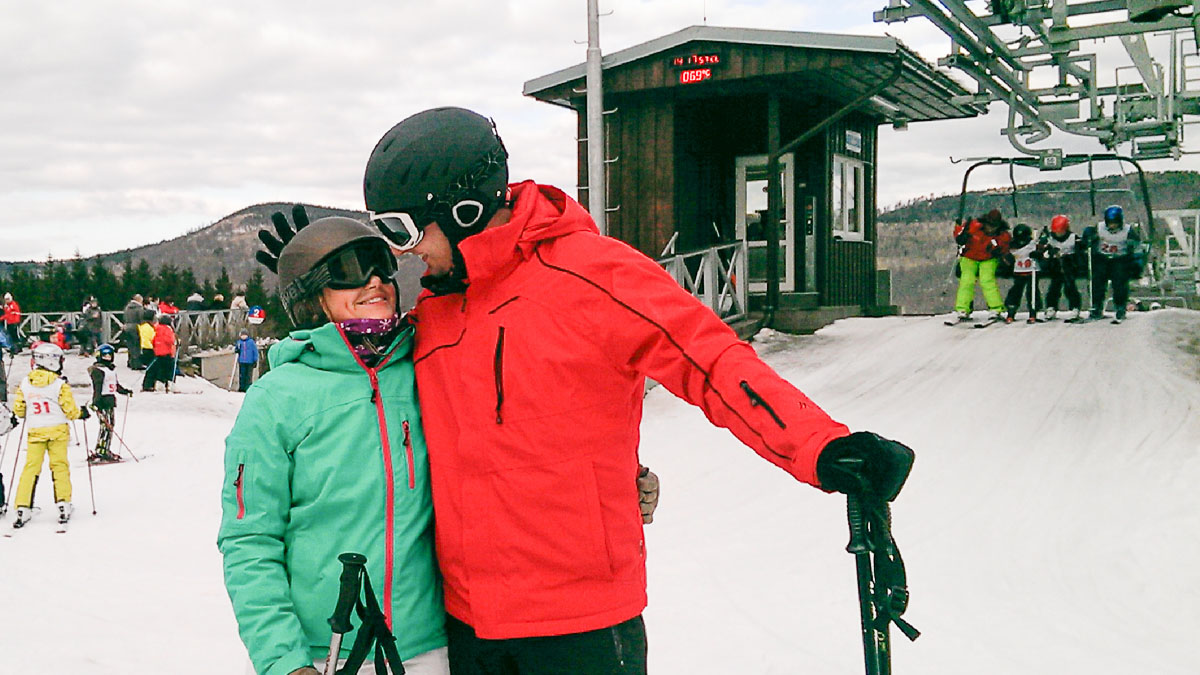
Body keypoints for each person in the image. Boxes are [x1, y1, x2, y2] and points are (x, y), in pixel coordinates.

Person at [308, 106, 910, 673]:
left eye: (403, 227)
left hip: (581, 624)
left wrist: (821, 446)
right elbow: (368, 383)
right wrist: (302, 296)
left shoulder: (591, 273)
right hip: (469, 624)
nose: (403, 250)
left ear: (464, 211)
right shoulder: (438, 312)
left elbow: (711, 360)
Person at [10, 341, 89, 528]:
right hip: (58, 430)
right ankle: (63, 503)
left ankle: (22, 506)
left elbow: (19, 410)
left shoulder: (25, 383)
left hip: (36, 430)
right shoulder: (59, 384)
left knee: (31, 468)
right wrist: (81, 413)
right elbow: (70, 410)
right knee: (59, 466)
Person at [950, 208, 1011, 324]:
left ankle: (996, 308)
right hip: (969, 257)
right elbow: (959, 234)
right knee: (967, 281)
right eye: (989, 226)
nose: (991, 229)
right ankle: (962, 308)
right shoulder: (973, 227)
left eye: (994, 227)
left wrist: (1000, 252)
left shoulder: (1002, 235)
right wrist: (960, 234)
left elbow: (1005, 249)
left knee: (987, 280)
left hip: (988, 259)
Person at [1085, 205, 1142, 322]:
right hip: (1102, 258)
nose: (1112, 225)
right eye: (1110, 223)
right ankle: (1097, 306)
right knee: (1098, 282)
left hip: (1120, 258)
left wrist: (1137, 262)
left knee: (1119, 283)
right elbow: (1088, 240)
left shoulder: (1128, 230)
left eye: (1115, 223)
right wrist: (1089, 234)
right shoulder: (1099, 228)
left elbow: (1137, 247)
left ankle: (1120, 307)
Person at [87, 343, 132, 463]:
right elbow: (98, 387)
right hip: (102, 401)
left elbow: (115, 385)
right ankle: (101, 450)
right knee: (105, 426)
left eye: (110, 355)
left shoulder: (111, 369)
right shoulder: (98, 370)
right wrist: (95, 402)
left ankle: (106, 449)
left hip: (110, 400)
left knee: (110, 426)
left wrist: (125, 391)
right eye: (105, 355)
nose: (108, 358)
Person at [1040, 215, 1084, 321]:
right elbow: (1043, 250)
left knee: (1070, 287)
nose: (1058, 234)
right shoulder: (1050, 238)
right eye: (1056, 232)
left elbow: (1080, 251)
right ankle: (1051, 307)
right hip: (1055, 267)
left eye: (1061, 232)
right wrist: (1048, 251)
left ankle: (1075, 308)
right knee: (1054, 288)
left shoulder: (1073, 238)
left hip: (1069, 267)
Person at [1003, 223, 1043, 324]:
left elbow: (1044, 253)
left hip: (1032, 271)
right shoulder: (1012, 246)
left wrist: (1038, 255)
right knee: (1015, 291)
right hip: (1019, 272)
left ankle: (1033, 311)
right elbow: (1007, 257)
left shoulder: (1033, 245)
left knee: (1032, 292)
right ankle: (1011, 310)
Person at [142, 314, 177, 392]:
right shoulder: (168, 329)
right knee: (170, 369)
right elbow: (169, 340)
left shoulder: (157, 329)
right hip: (167, 352)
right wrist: (175, 342)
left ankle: (159, 385)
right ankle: (170, 385)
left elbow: (153, 340)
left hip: (158, 353)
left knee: (160, 369)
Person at [123, 294, 145, 369]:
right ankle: (136, 364)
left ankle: (130, 362)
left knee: (130, 346)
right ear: (139, 300)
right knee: (136, 346)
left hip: (127, 327)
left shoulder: (127, 307)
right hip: (135, 327)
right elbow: (141, 318)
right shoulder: (139, 308)